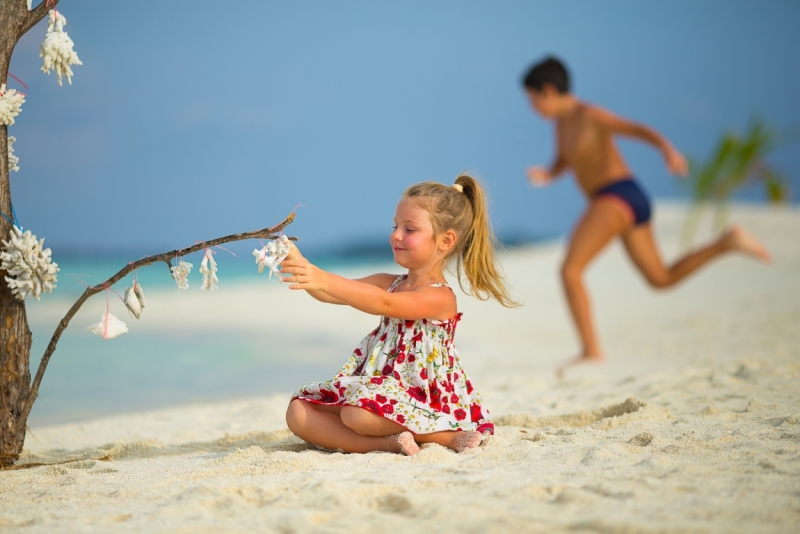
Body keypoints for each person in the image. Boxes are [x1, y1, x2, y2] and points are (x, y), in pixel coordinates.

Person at [521, 56, 771, 375]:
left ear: (548, 91)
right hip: (626, 199)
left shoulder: (590, 115)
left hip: (615, 195)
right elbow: (563, 160)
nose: (532, 108)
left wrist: (667, 149)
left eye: (532, 100)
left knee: (570, 271)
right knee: (660, 279)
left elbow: (636, 129)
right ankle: (727, 242)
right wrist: (546, 174)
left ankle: (591, 351)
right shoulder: (561, 125)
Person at [281, 174, 516, 456]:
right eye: (395, 226)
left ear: (446, 240)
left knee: (357, 415)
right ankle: (386, 443)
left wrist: (321, 278)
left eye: (410, 229)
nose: (396, 235)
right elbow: (330, 293)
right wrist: (301, 265)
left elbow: (386, 304)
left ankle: (444, 435)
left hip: (422, 396)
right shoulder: (389, 281)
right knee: (298, 411)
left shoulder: (439, 296)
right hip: (378, 389)